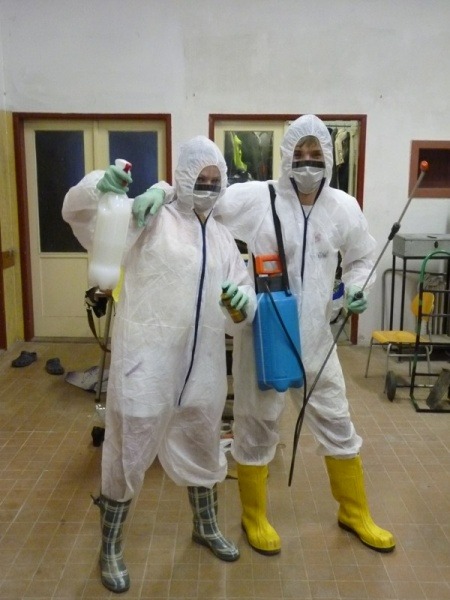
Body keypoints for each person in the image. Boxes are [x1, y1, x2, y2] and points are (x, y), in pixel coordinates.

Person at [139, 115, 395, 556]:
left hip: (317, 342)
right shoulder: (258, 199)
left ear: (328, 156)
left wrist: (357, 289)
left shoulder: (343, 207)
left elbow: (362, 258)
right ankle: (254, 516)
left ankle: (354, 512)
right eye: (301, 153)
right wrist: (159, 191)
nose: (308, 162)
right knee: (256, 428)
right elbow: (199, 192)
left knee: (338, 423)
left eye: (316, 154)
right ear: (287, 155)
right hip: (265, 337)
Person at [62, 136, 256, 593]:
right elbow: (81, 215)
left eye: (216, 179)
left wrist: (241, 303)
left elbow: (245, 297)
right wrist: (102, 187)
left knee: (204, 446)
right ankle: (110, 547)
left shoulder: (223, 237)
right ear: (183, 177)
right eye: (200, 178)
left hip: (202, 368)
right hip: (145, 367)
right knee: (127, 453)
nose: (208, 187)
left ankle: (205, 526)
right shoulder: (150, 217)